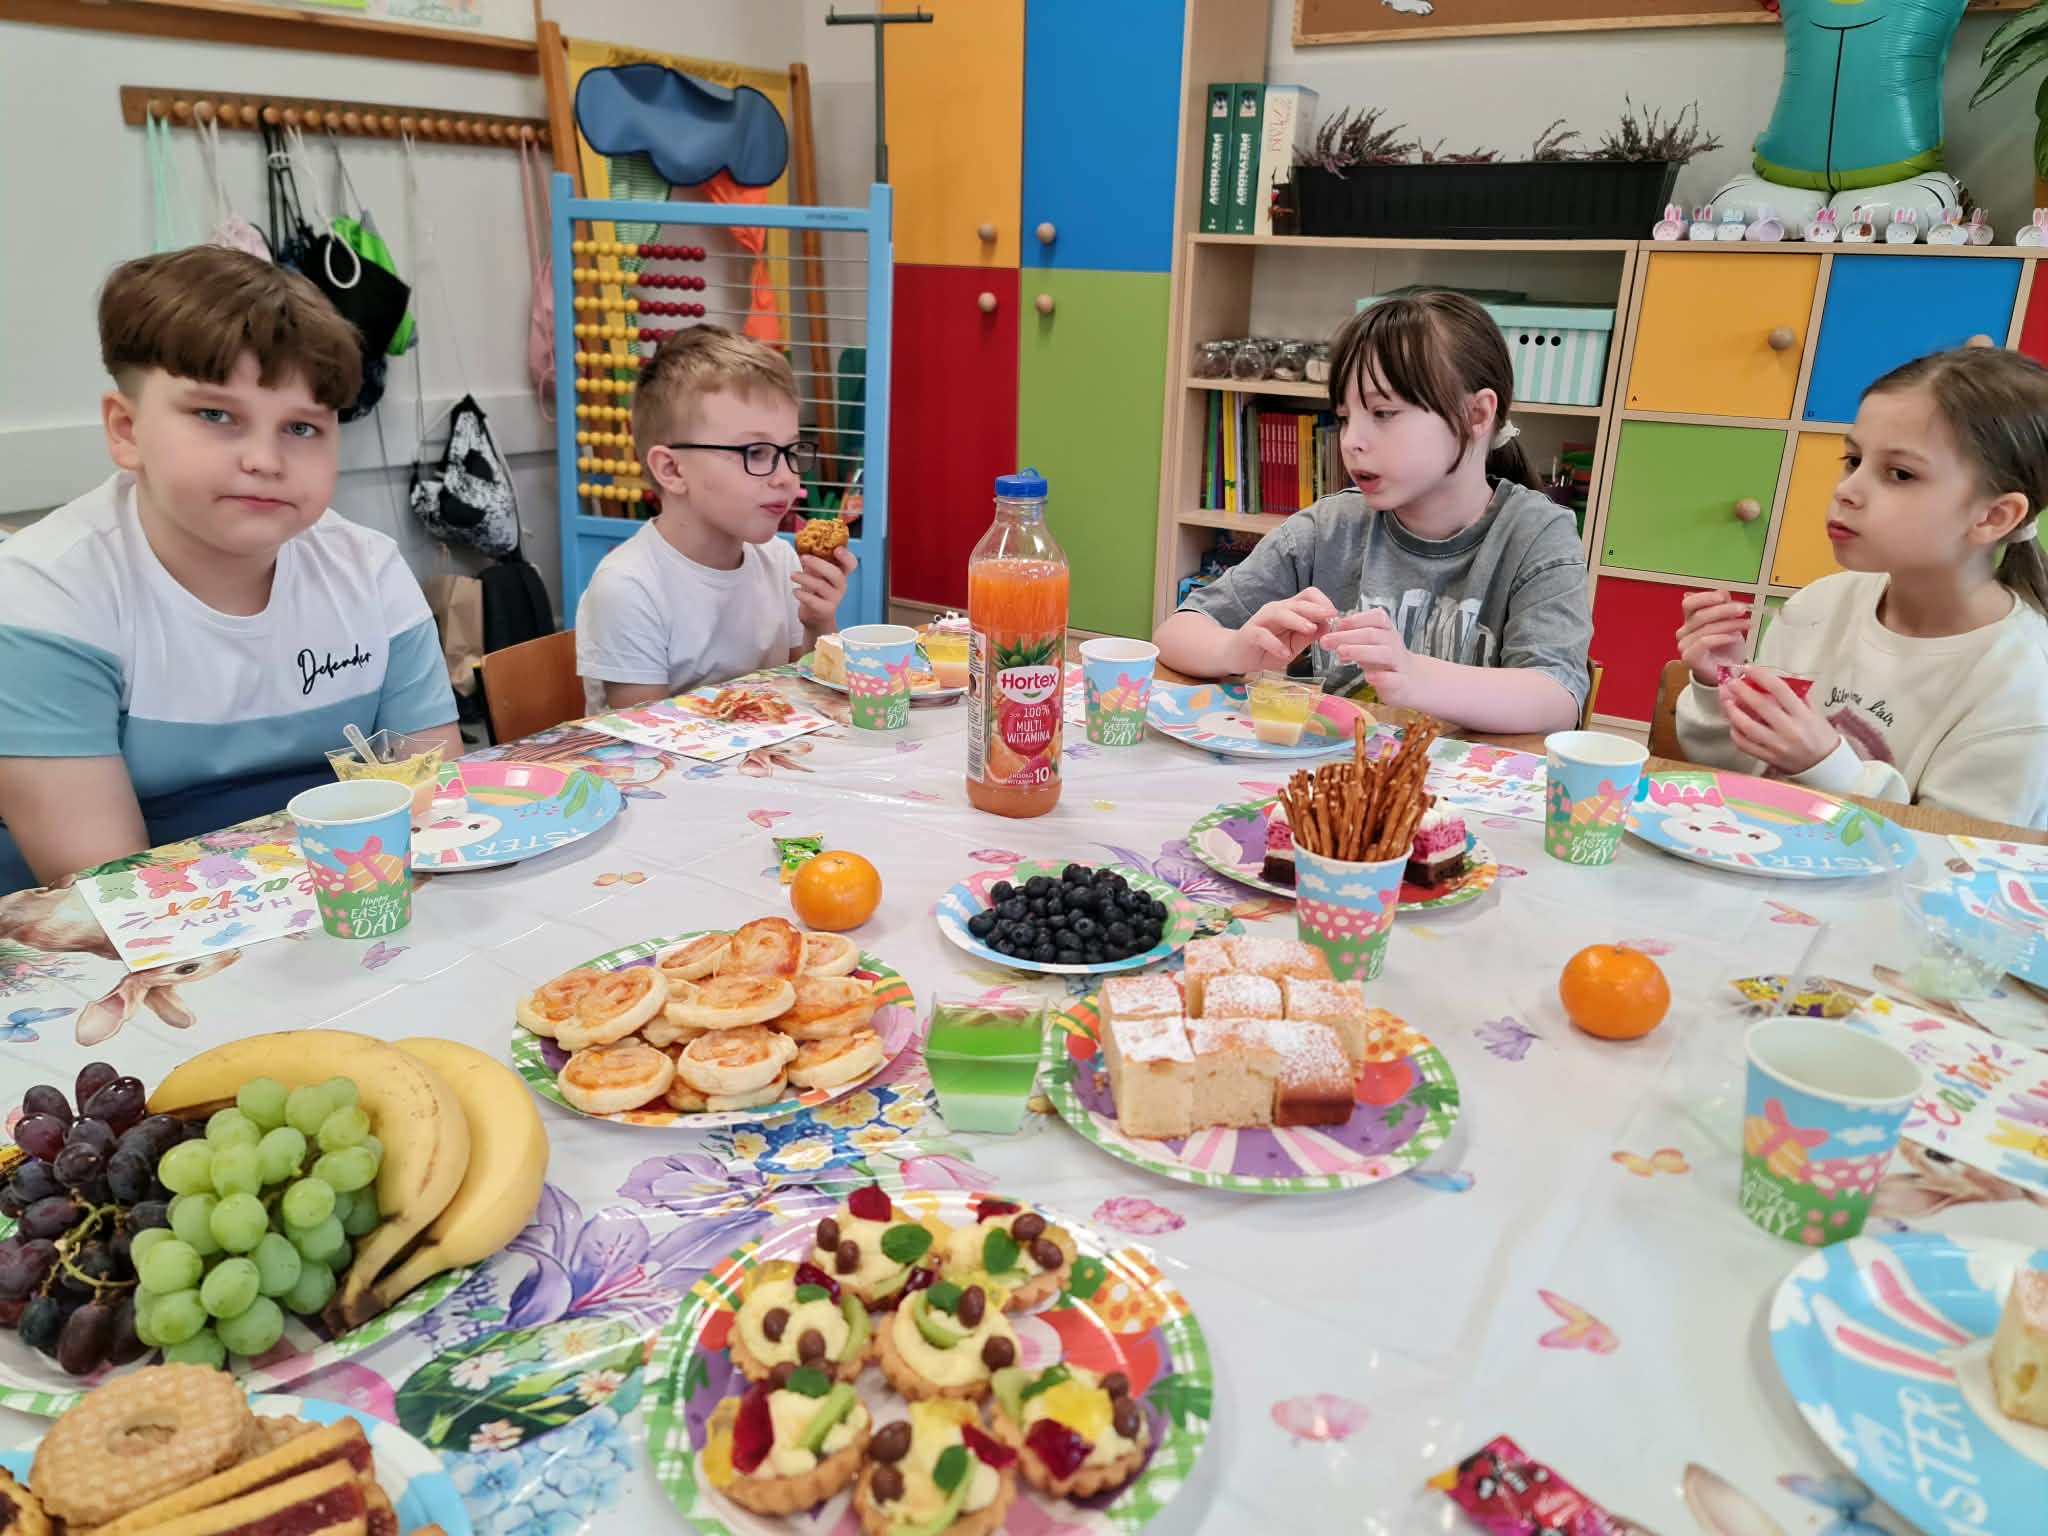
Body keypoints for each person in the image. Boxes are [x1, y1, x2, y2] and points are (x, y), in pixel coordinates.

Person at [0, 248, 461, 893]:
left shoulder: (371, 572)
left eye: (302, 427)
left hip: (341, 904)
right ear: (126, 429)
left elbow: (431, 813)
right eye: (216, 416)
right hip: (133, 934)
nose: (265, 460)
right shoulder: (42, 596)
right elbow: (109, 890)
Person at [1154, 291, 1591, 734]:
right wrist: (1235, 650)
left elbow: (1558, 698)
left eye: (1383, 413)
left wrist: (1417, 678)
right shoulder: (1329, 528)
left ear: (1475, 415)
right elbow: (1176, 633)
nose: (1350, 441)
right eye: (1345, 417)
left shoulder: (1536, 534)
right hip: (1335, 772)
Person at [1675, 346, 2048, 826]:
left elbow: (1952, 852)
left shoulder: (2023, 683)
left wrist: (1826, 766)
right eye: (1853, 460)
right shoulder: (1820, 606)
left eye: (1900, 474)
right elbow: (1742, 781)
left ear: (1994, 516)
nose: (1846, 490)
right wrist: (1720, 686)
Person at [576, 326, 854, 711]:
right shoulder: (629, 588)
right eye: (755, 452)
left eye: (791, 451)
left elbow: (811, 699)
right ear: (672, 470)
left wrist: (818, 622)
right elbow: (642, 735)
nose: (786, 477)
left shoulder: (779, 560)